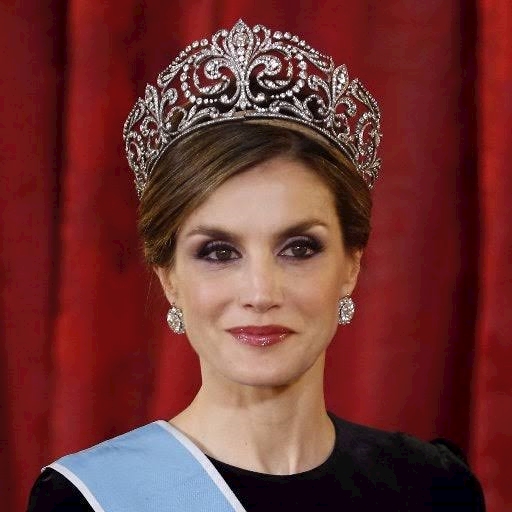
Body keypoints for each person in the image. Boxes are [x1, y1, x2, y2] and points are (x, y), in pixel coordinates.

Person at [27, 20, 486, 511]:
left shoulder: (434, 487)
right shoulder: (89, 500)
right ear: (169, 279)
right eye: (218, 252)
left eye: (299, 248)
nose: (262, 292)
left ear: (351, 265)